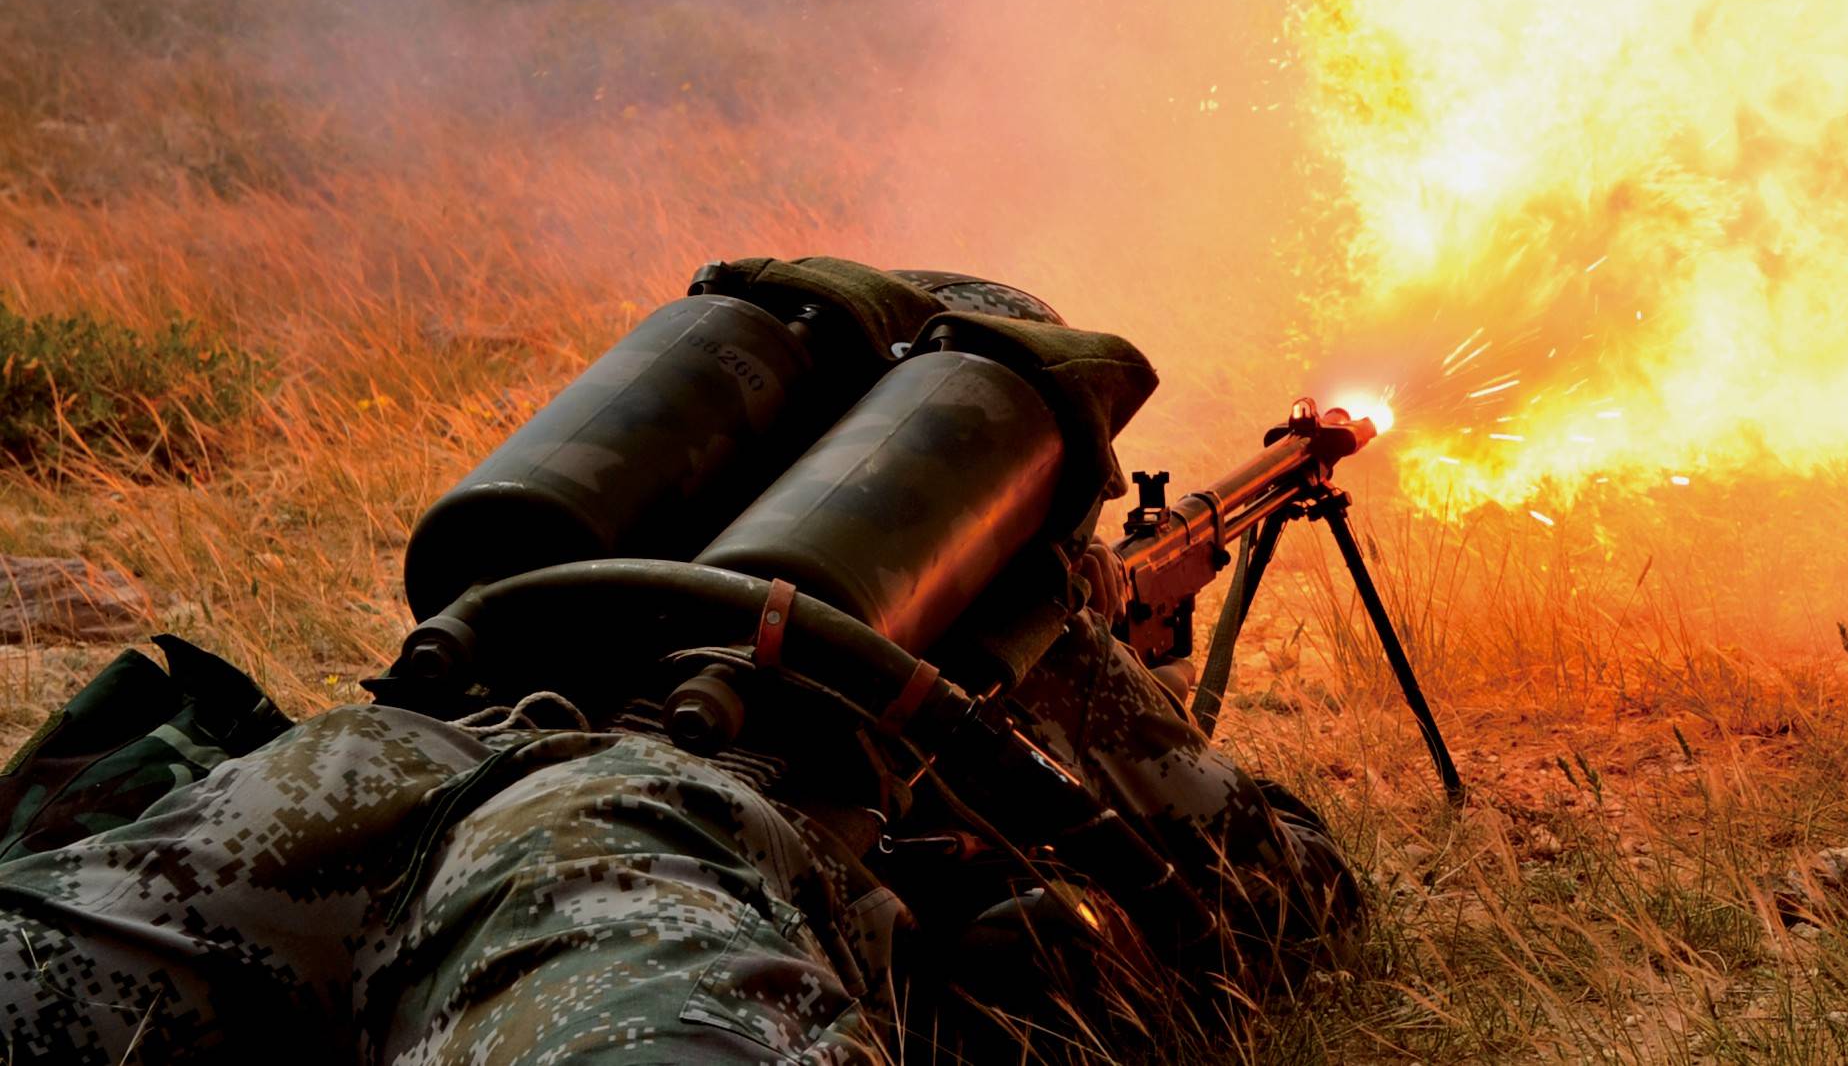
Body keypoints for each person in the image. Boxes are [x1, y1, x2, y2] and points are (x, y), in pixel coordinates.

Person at [0, 267, 1356, 1063]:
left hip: (341, 772)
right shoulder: (972, 599)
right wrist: (1086, 652)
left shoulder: (604, 536)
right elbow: (1285, 900)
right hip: (627, 834)